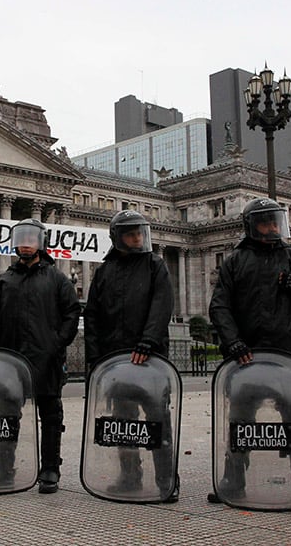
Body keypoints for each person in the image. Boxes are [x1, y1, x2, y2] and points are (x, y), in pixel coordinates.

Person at [208, 197, 291, 508]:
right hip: (245, 356)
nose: (273, 227)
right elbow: (220, 306)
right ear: (252, 226)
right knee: (240, 421)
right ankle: (233, 480)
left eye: (276, 221)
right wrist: (233, 342)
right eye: (266, 222)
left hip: (286, 354)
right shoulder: (235, 261)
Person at [0, 218, 81, 494]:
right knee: (6, 414)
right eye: (21, 239)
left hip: (47, 358)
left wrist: (57, 343)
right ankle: (3, 469)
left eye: (31, 239)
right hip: (10, 357)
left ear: (41, 243)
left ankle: (50, 469)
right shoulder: (5, 279)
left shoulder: (57, 279)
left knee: (51, 415)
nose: (25, 244)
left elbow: (72, 313)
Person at [84, 210, 179, 502]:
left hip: (149, 358)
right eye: (131, 234)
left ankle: (167, 480)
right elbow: (93, 315)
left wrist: (147, 342)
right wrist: (96, 359)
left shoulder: (155, 265)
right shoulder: (104, 271)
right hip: (115, 359)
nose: (138, 238)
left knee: (158, 419)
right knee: (123, 421)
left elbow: (162, 304)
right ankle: (130, 477)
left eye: (140, 233)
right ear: (118, 238)